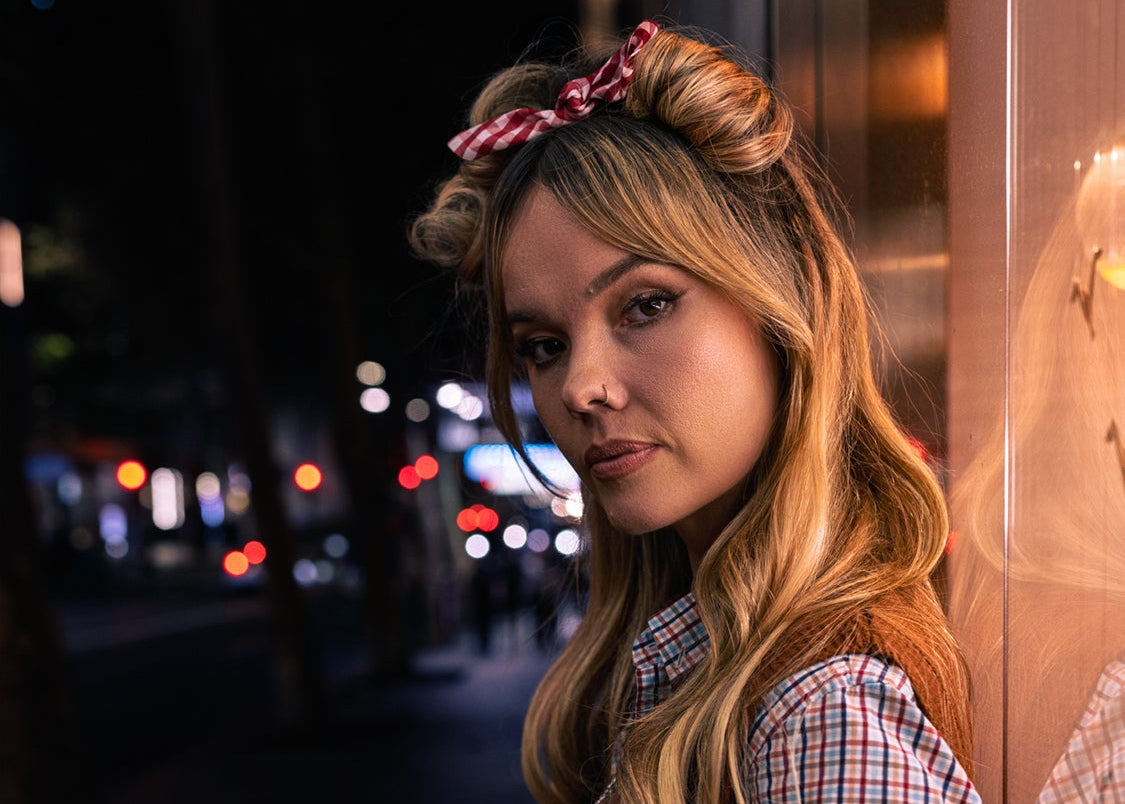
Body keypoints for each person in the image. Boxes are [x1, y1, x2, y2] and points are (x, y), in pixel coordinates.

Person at [409, 19, 979, 803]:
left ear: (782, 303)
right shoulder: (707, 655)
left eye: (644, 305)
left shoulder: (822, 715)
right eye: (542, 345)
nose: (581, 388)